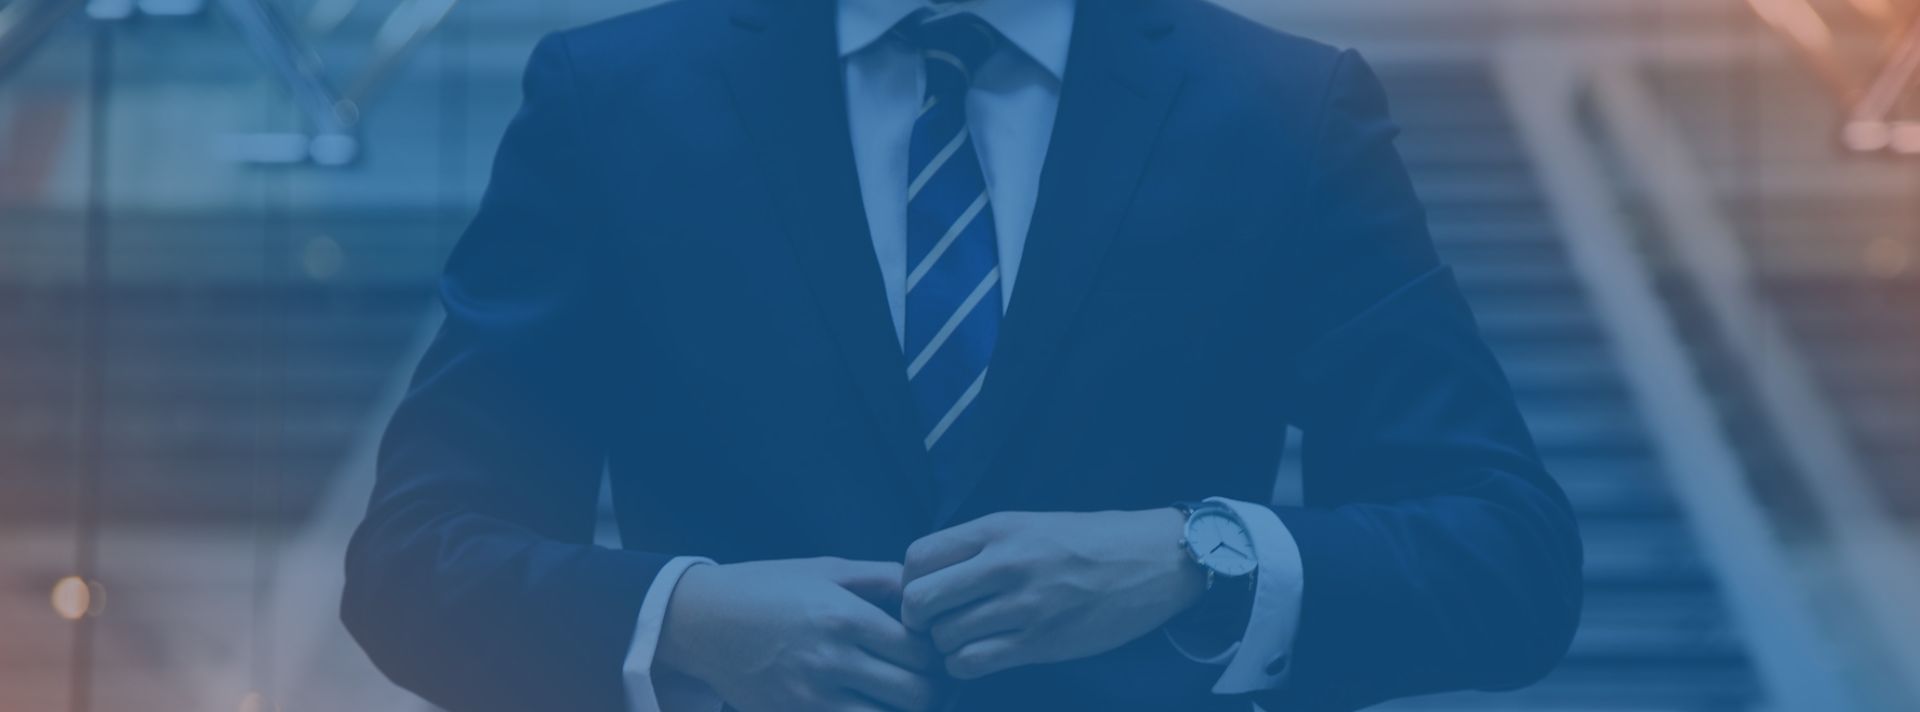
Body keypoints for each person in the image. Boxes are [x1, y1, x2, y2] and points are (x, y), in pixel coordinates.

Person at [341, 0, 1584, 710]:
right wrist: (687, 618)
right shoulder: (610, 98)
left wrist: (1196, 556)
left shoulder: (1282, 106)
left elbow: (1510, 553)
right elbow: (413, 559)